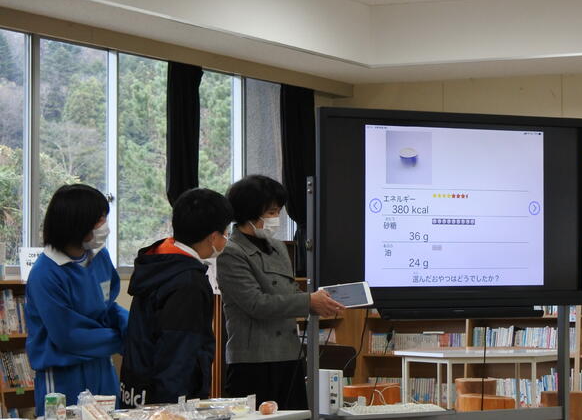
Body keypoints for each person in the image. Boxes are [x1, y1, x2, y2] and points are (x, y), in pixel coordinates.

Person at [217, 175, 344, 409]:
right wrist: (308, 302)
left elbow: (289, 290)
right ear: (250, 212)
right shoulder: (231, 252)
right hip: (253, 360)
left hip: (290, 355)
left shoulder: (277, 247)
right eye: (271, 212)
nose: (276, 218)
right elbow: (256, 304)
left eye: (278, 211)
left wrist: (323, 301)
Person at [119, 188, 233, 407]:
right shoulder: (187, 281)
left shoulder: (159, 262)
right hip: (166, 402)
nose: (226, 239)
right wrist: (173, 409)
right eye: (225, 232)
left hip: (137, 390)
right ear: (213, 236)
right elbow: (178, 353)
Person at [25, 184, 128, 415]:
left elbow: (107, 307)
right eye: (99, 220)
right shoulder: (46, 273)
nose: (105, 227)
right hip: (63, 374)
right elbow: (69, 336)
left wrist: (132, 326)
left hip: (101, 366)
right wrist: (121, 340)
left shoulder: (99, 256)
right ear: (77, 223)